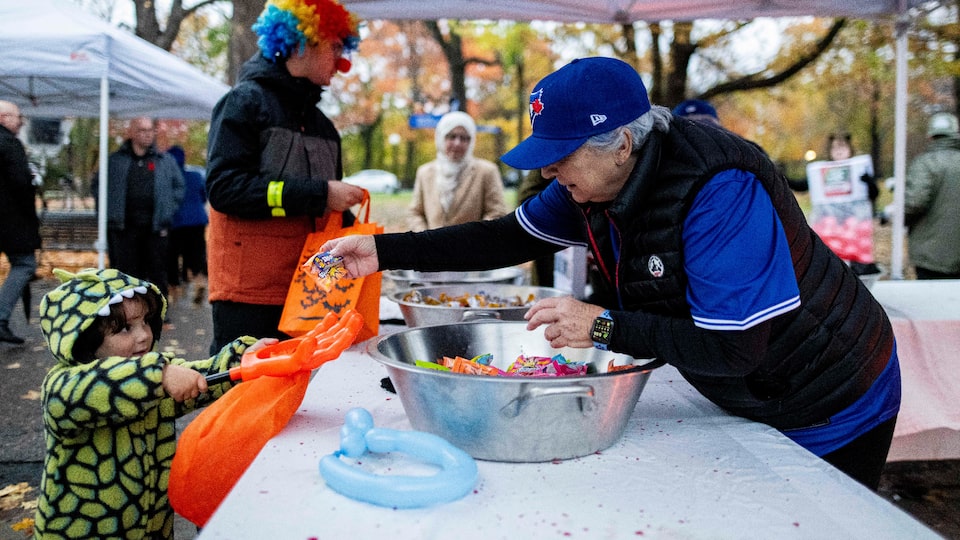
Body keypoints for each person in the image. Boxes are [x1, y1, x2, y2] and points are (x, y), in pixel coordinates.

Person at [323, 57, 901, 490]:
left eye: (562, 153)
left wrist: (602, 326)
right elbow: (501, 236)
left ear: (622, 144)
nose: (548, 169)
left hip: (835, 394)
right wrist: (385, 251)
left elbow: (735, 350)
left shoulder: (719, 190)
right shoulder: (587, 186)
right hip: (752, 394)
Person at [33, 267, 274, 538]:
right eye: (125, 328)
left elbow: (200, 377)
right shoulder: (62, 388)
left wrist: (243, 361)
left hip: (151, 527)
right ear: (85, 341)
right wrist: (159, 376)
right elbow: (104, 386)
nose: (144, 335)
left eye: (145, 321)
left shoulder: (155, 377)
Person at [205, 0, 366, 353]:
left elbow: (327, 220)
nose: (343, 63)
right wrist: (321, 195)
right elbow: (224, 189)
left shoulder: (325, 128)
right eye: (336, 47)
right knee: (245, 398)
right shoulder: (243, 104)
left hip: (312, 294)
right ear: (301, 42)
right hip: (249, 296)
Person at [92, 116, 184, 299]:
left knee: (157, 271)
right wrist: (109, 211)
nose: (148, 135)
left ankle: (157, 314)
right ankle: (123, 313)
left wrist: (167, 211)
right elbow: (97, 186)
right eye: (143, 130)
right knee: (125, 273)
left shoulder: (164, 161)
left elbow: (179, 187)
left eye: (151, 130)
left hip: (155, 228)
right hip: (123, 228)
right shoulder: (116, 161)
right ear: (132, 132)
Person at [406, 111, 509, 231]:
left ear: (471, 141)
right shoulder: (424, 172)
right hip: (431, 247)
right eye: (451, 136)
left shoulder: (486, 171)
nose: (457, 143)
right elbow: (415, 212)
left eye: (464, 138)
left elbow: (497, 213)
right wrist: (424, 237)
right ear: (440, 137)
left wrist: (469, 239)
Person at [0, 100, 41, 344]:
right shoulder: (9, 144)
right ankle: (1, 317)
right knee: (25, 263)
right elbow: (21, 184)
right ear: (4, 118)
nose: (21, 120)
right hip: (11, 220)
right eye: (17, 116)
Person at [903, 112, 960, 279]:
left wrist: (898, 216)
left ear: (930, 136)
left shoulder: (924, 163)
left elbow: (914, 203)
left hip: (931, 255)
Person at [165, 145, 209, 305]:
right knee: (196, 254)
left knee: (172, 256)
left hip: (176, 222)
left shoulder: (168, 178)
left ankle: (174, 289)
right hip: (197, 220)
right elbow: (204, 196)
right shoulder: (196, 175)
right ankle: (199, 280)